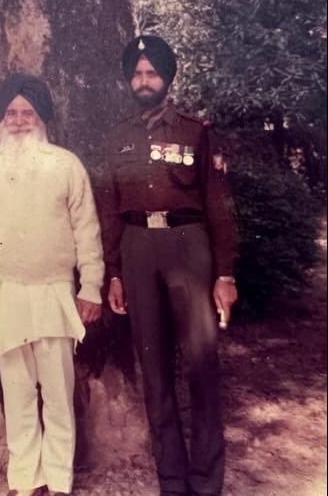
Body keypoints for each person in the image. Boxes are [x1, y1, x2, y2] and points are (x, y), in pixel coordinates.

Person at [97, 35, 238, 496]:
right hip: (137, 249)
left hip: (187, 245)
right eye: (137, 74)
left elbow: (218, 205)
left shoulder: (195, 131)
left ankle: (206, 480)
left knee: (201, 365)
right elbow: (111, 210)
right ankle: (173, 481)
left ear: (167, 78)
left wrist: (225, 273)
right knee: (154, 370)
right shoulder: (116, 135)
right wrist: (115, 272)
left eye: (151, 73)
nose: (143, 81)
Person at [0, 74, 104, 496]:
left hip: (54, 293)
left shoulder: (65, 164)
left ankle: (58, 480)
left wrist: (90, 287)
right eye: (12, 113)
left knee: (58, 395)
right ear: (2, 120)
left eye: (28, 113)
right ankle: (26, 480)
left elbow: (86, 229)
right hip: (3, 293)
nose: (19, 121)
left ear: (41, 118)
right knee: (18, 397)